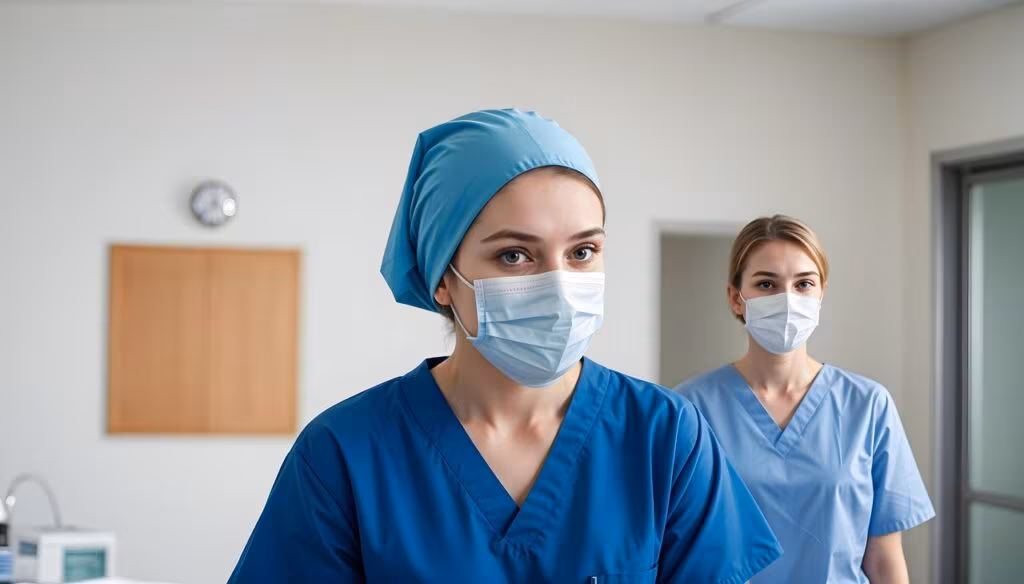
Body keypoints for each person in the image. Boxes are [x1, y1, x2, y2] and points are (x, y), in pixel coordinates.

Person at [228, 109, 781, 583]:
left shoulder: (663, 435)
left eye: (583, 252)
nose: (560, 284)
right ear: (442, 277)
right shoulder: (346, 452)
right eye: (515, 255)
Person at [677, 215, 935, 584]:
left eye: (803, 284)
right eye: (767, 284)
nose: (787, 299)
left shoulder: (868, 406)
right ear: (736, 298)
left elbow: (884, 562)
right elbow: (681, 550)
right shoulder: (691, 409)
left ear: (821, 293)